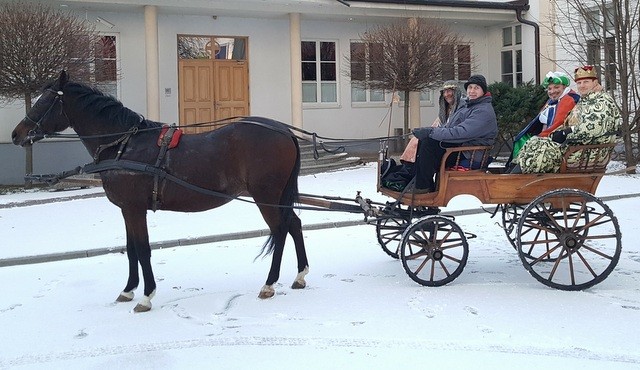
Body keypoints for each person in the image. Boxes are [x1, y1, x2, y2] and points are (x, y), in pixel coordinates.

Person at [514, 65, 620, 174]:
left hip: (587, 152)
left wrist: (565, 133)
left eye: (586, 82)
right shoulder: (587, 100)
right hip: (578, 147)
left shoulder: (601, 101)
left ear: (595, 82)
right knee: (534, 142)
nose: (582, 86)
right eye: (579, 83)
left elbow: (592, 129)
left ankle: (513, 180)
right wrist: (557, 133)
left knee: (540, 148)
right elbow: (572, 123)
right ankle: (513, 175)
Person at [411, 74, 498, 192]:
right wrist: (429, 131)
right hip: (462, 148)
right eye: (470, 87)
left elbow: (460, 132)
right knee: (425, 143)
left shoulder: (483, 111)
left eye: (476, 88)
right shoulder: (470, 106)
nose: (472, 91)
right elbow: (450, 127)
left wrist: (431, 132)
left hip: (470, 153)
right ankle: (419, 184)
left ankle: (422, 188)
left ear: (483, 91)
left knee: (428, 145)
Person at [381, 81, 465, 190]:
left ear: (457, 92)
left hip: (454, 149)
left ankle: (422, 186)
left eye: (450, 91)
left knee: (426, 144)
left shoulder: (461, 109)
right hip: (445, 144)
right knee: (419, 141)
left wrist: (430, 133)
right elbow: (437, 127)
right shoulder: (447, 110)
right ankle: (409, 175)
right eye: (444, 92)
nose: (446, 94)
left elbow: (452, 132)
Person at [507, 71, 580, 167]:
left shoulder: (568, 100)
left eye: (556, 87)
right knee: (522, 139)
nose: (552, 91)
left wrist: (540, 136)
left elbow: (558, 124)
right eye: (549, 88)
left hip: (557, 140)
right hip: (547, 137)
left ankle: (517, 173)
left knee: (528, 143)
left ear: (564, 87)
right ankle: (513, 170)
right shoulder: (553, 100)